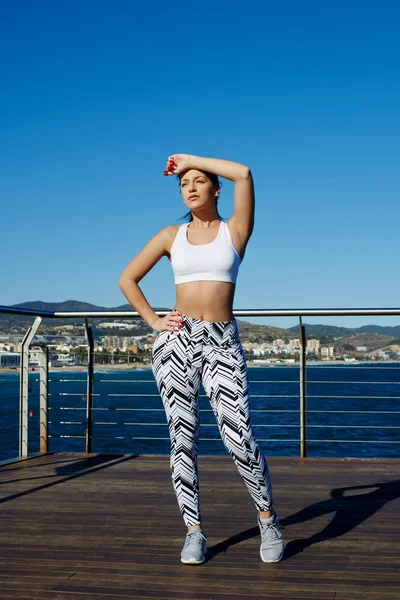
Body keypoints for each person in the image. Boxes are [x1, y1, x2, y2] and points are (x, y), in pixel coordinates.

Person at [119, 154, 284, 564]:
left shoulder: (235, 231)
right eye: (183, 184)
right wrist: (154, 320)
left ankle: (268, 520)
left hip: (222, 343)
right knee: (182, 440)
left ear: (215, 189)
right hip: (177, 341)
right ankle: (194, 532)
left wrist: (188, 158)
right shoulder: (170, 236)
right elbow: (127, 278)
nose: (189, 187)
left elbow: (244, 173)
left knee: (239, 437)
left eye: (198, 181)